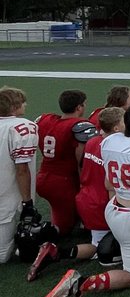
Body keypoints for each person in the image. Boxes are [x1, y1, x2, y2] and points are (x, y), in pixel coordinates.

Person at [36, 101, 130, 297]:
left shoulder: (111, 142)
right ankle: (81, 283)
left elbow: (109, 183)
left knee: (118, 245)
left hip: (114, 208)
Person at [35, 89, 88, 236]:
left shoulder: (45, 119)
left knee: (60, 211)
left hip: (43, 176)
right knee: (63, 229)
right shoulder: (79, 125)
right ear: (79, 107)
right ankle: (36, 240)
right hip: (63, 181)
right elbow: (81, 160)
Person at [0, 86, 38, 264]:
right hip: (8, 195)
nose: (26, 104)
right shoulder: (22, 126)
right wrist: (27, 202)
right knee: (3, 255)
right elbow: (22, 169)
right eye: (22, 102)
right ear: (14, 107)